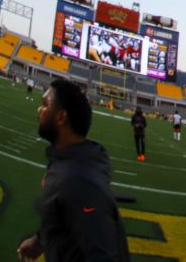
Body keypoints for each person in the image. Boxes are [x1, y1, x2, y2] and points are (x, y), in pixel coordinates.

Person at [16, 79, 130, 262]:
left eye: (45, 104)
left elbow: (104, 255)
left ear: (61, 117)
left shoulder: (77, 182)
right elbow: (63, 214)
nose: (39, 109)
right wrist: (40, 240)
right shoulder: (68, 159)